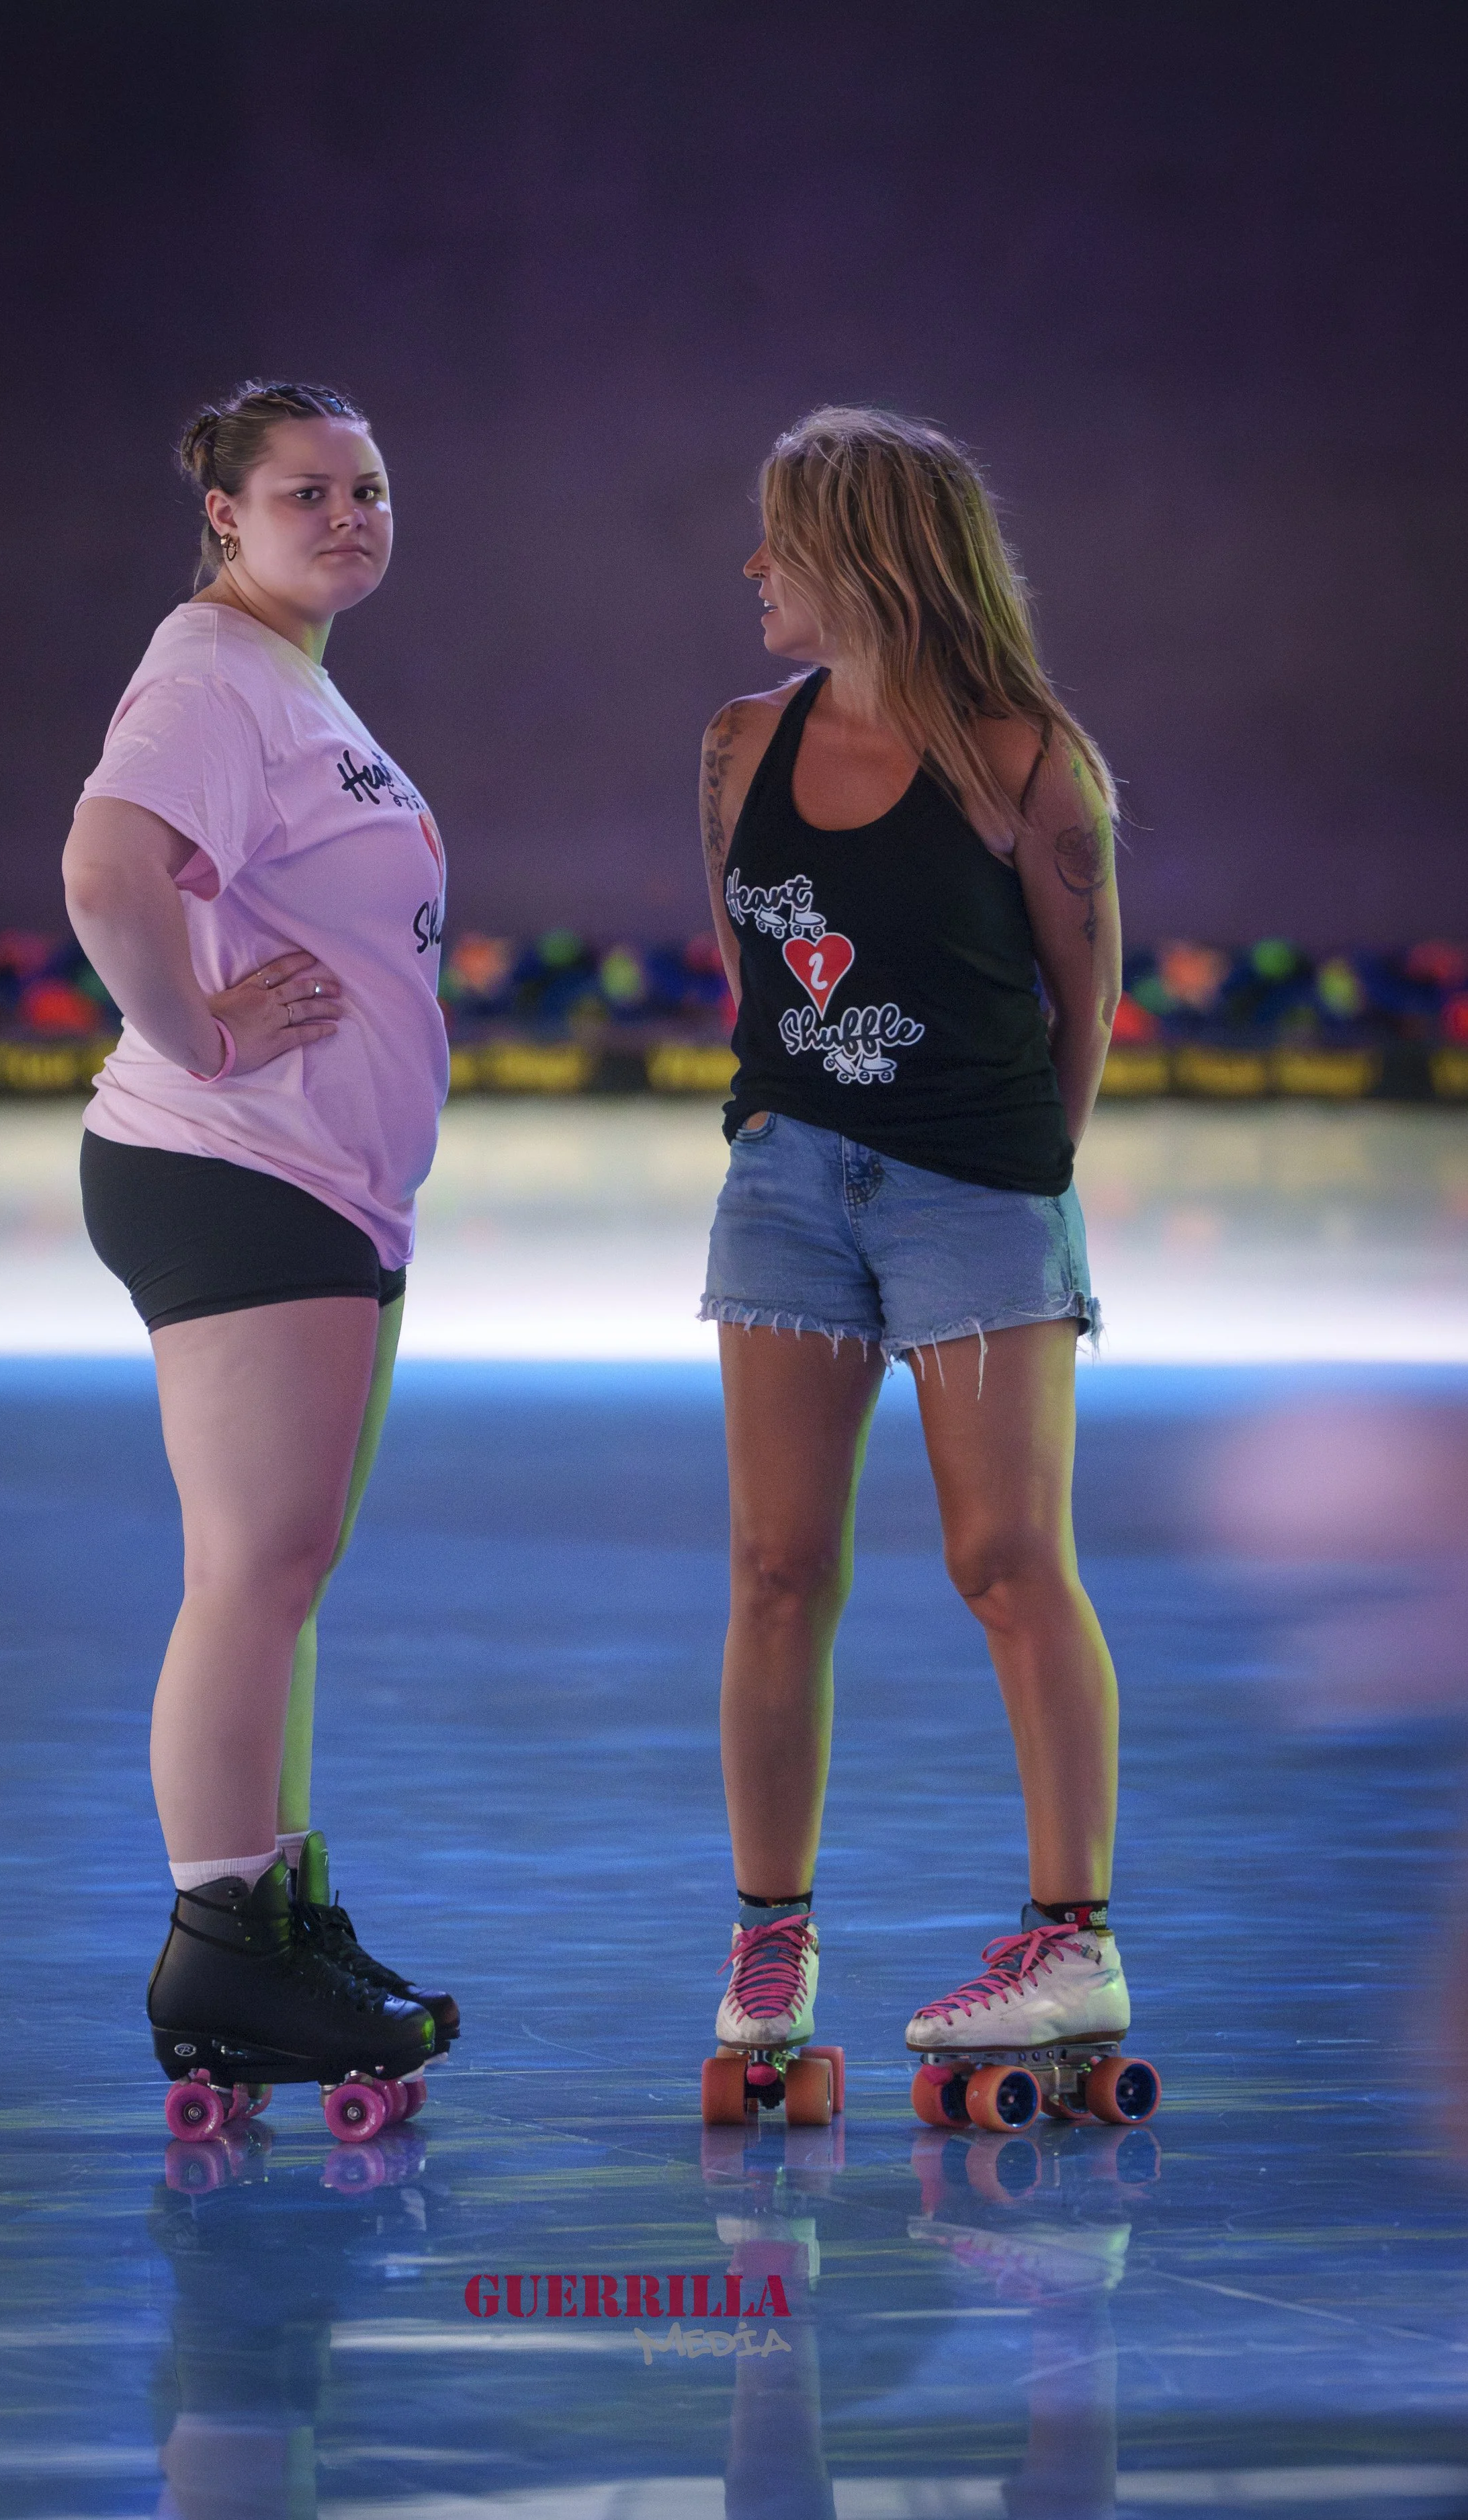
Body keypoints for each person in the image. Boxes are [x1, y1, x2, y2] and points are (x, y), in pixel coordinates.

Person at [698, 406, 1125, 2086]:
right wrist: (784, 1136)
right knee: (774, 1568)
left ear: (866, 556)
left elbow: (1082, 1006)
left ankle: (1071, 1947)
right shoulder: (738, 746)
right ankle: (768, 1946)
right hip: (785, 1189)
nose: (752, 566)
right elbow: (749, 971)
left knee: (1006, 1561)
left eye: (781, 538)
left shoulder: (1027, 761)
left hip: (975, 1189)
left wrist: (1013, 1185)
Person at [63, 379, 458, 2120]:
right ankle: (222, 1941)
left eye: (369, 490)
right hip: (240, 1172)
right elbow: (107, 872)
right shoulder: (214, 671)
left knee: (281, 1572)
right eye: (308, 491)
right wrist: (202, 1036)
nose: (350, 516)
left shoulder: (288, 676)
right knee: (250, 1570)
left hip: (319, 1189)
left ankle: (279, 1911)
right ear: (223, 512)